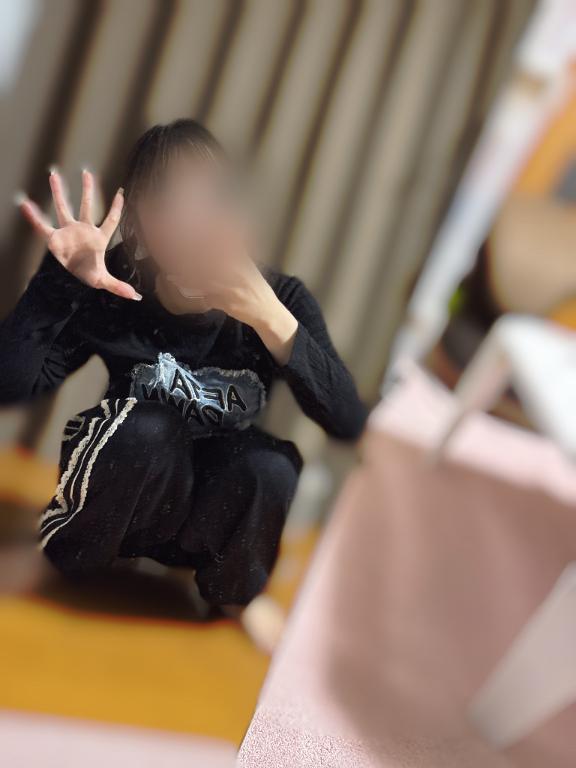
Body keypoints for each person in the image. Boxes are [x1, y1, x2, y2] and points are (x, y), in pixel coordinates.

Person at [0, 119, 367, 650]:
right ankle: (61, 556)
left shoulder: (279, 297)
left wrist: (273, 322)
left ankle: (237, 596)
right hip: (120, 502)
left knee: (269, 463)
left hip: (209, 518)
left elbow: (348, 420)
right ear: (138, 225)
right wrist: (56, 285)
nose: (193, 222)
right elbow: (11, 386)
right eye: (169, 203)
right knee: (147, 427)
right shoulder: (116, 283)